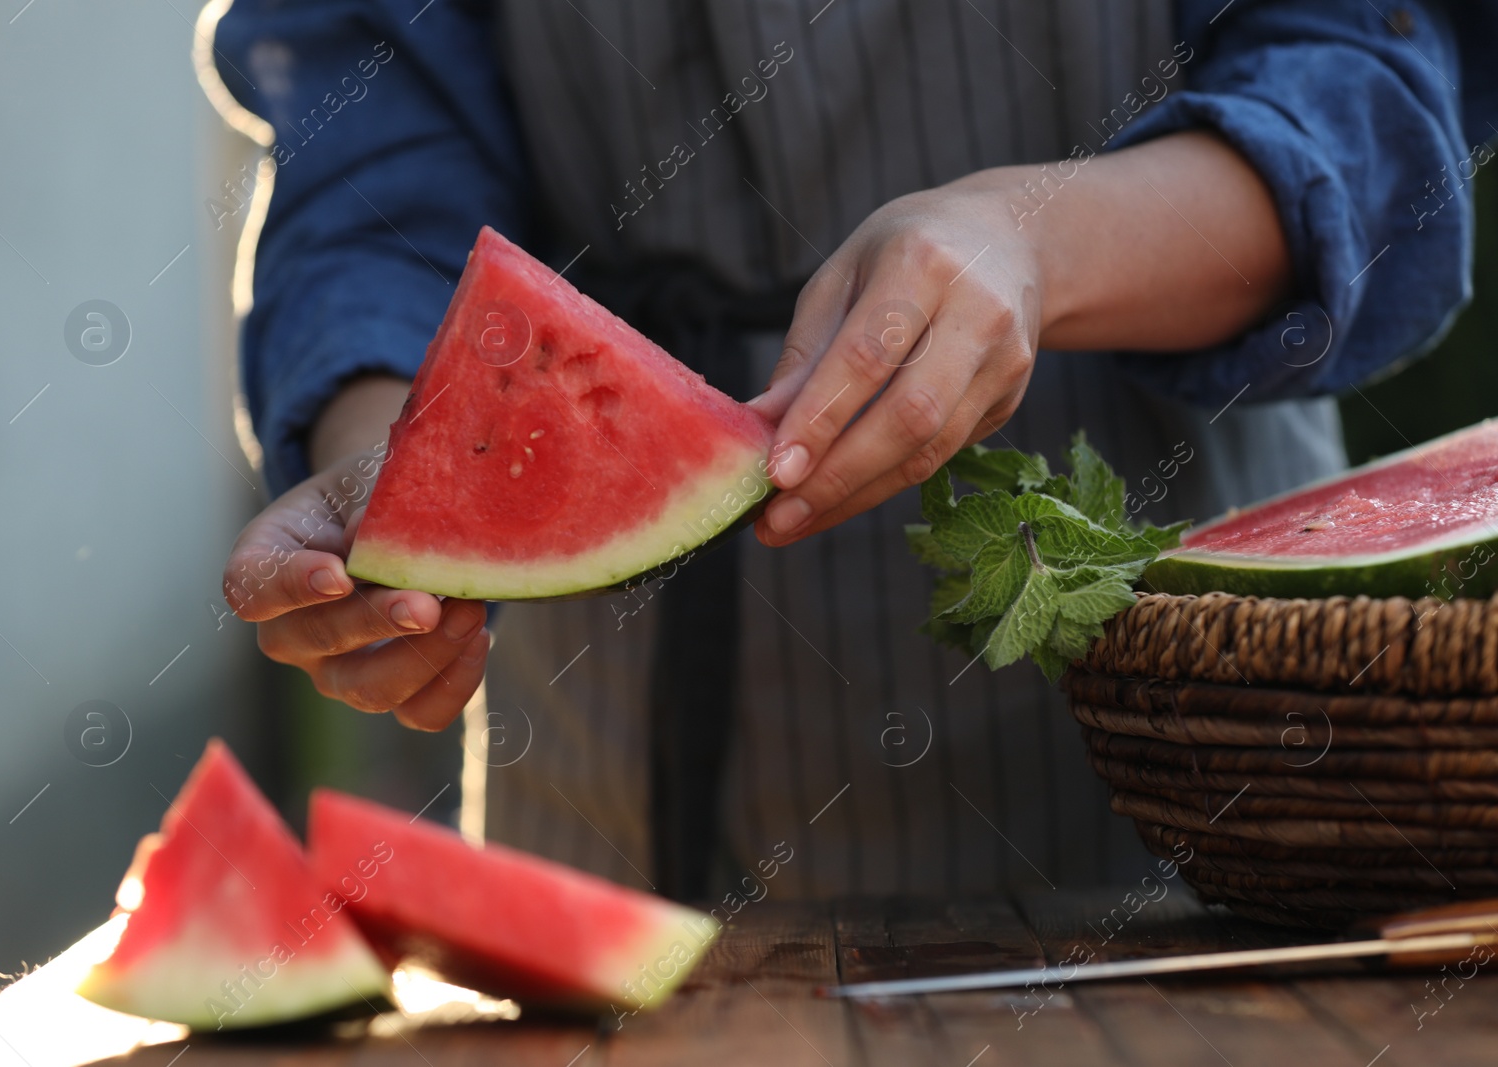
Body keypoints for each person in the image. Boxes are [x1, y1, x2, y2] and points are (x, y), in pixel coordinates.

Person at [213, 0, 1496, 900]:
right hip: (602, 739)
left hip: (1164, 729)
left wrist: (1038, 241)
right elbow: (372, 153)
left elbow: (1360, 84)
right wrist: (391, 486)